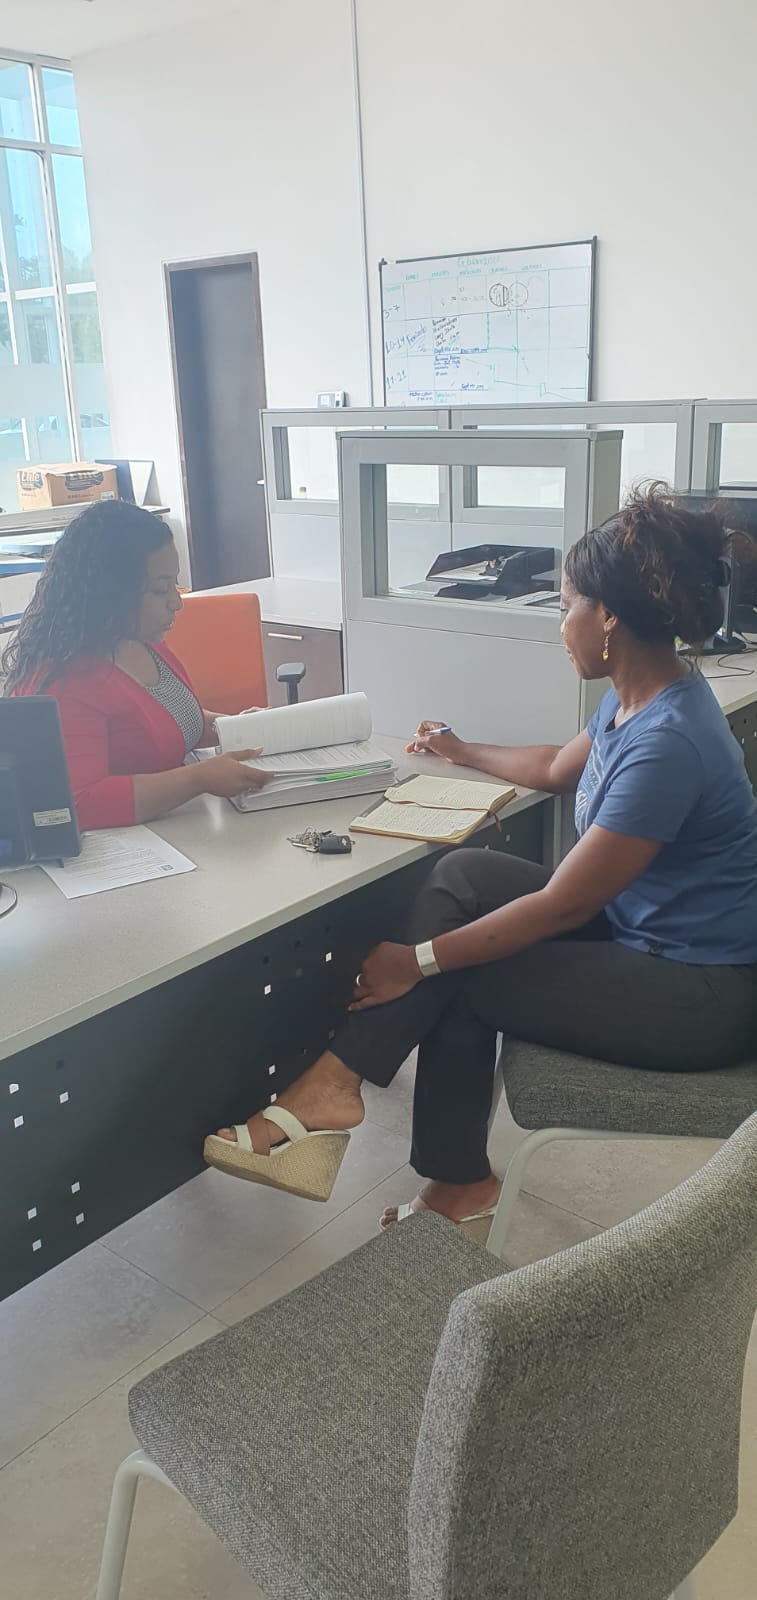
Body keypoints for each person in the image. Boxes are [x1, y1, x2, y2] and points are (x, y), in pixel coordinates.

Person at [204, 486, 757, 1231]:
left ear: (608, 618)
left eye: (567, 605)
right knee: (464, 873)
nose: (560, 624)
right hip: (644, 936)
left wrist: (416, 961)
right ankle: (343, 1092)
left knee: (458, 975)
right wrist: (461, 749)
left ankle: (421, 1155)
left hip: (701, 993)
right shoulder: (641, 695)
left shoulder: (669, 741)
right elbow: (557, 768)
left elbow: (563, 905)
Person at [3, 500, 269, 828]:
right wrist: (199, 778)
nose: (176, 602)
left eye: (174, 584)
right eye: (160, 590)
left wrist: (235, 727)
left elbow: (168, 720)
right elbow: (80, 803)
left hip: (175, 825)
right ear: (110, 593)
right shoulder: (67, 681)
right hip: (126, 846)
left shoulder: (141, 640)